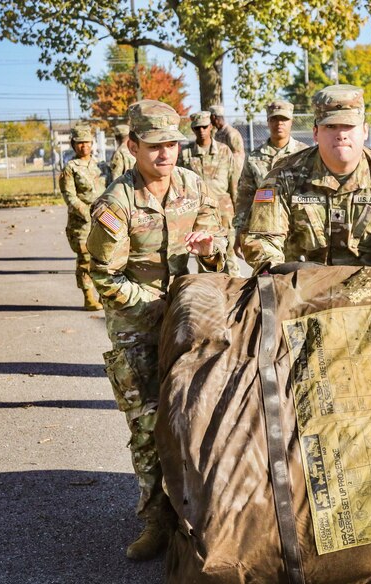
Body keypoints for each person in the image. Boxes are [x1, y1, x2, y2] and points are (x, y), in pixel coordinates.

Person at [87, 99, 227, 560]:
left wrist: (210, 251)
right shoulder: (115, 203)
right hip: (138, 325)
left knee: (204, 415)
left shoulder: (194, 186)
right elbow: (107, 277)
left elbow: (216, 248)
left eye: (171, 143)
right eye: (154, 146)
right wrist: (160, 306)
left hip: (189, 317)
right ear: (132, 146)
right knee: (147, 424)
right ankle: (156, 522)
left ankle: (206, 515)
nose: (165, 154)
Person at [243, 84, 371, 270]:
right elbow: (263, 242)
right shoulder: (283, 177)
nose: (341, 134)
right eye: (331, 126)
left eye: (349, 125)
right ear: (316, 133)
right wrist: (280, 275)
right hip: (302, 291)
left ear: (365, 131)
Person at [234, 99, 307, 250]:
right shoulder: (254, 157)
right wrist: (239, 230)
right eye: (274, 119)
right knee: (268, 273)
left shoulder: (305, 154)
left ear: (291, 122)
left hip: (299, 231)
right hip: (265, 232)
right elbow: (245, 197)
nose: (279, 123)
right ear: (268, 122)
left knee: (301, 273)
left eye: (284, 119)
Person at [178, 110, 240, 275]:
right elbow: (178, 186)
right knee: (205, 257)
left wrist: (238, 212)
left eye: (205, 127)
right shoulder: (185, 154)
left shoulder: (224, 151)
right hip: (199, 214)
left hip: (225, 211)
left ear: (211, 126)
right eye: (197, 128)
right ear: (193, 129)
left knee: (230, 256)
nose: (201, 131)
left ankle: (235, 295)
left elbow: (234, 183)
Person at [60, 125, 109, 310]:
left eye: (87, 142)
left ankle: (105, 294)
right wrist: (87, 212)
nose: (84, 146)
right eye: (79, 143)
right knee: (85, 260)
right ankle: (88, 297)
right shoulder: (70, 168)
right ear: (73, 145)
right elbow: (69, 196)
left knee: (106, 257)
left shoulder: (100, 165)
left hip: (103, 219)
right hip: (81, 223)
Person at [209, 104, 245, 183]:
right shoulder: (218, 133)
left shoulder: (231, 133)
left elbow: (237, 158)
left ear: (214, 117)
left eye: (210, 117)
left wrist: (233, 178)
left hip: (232, 175)